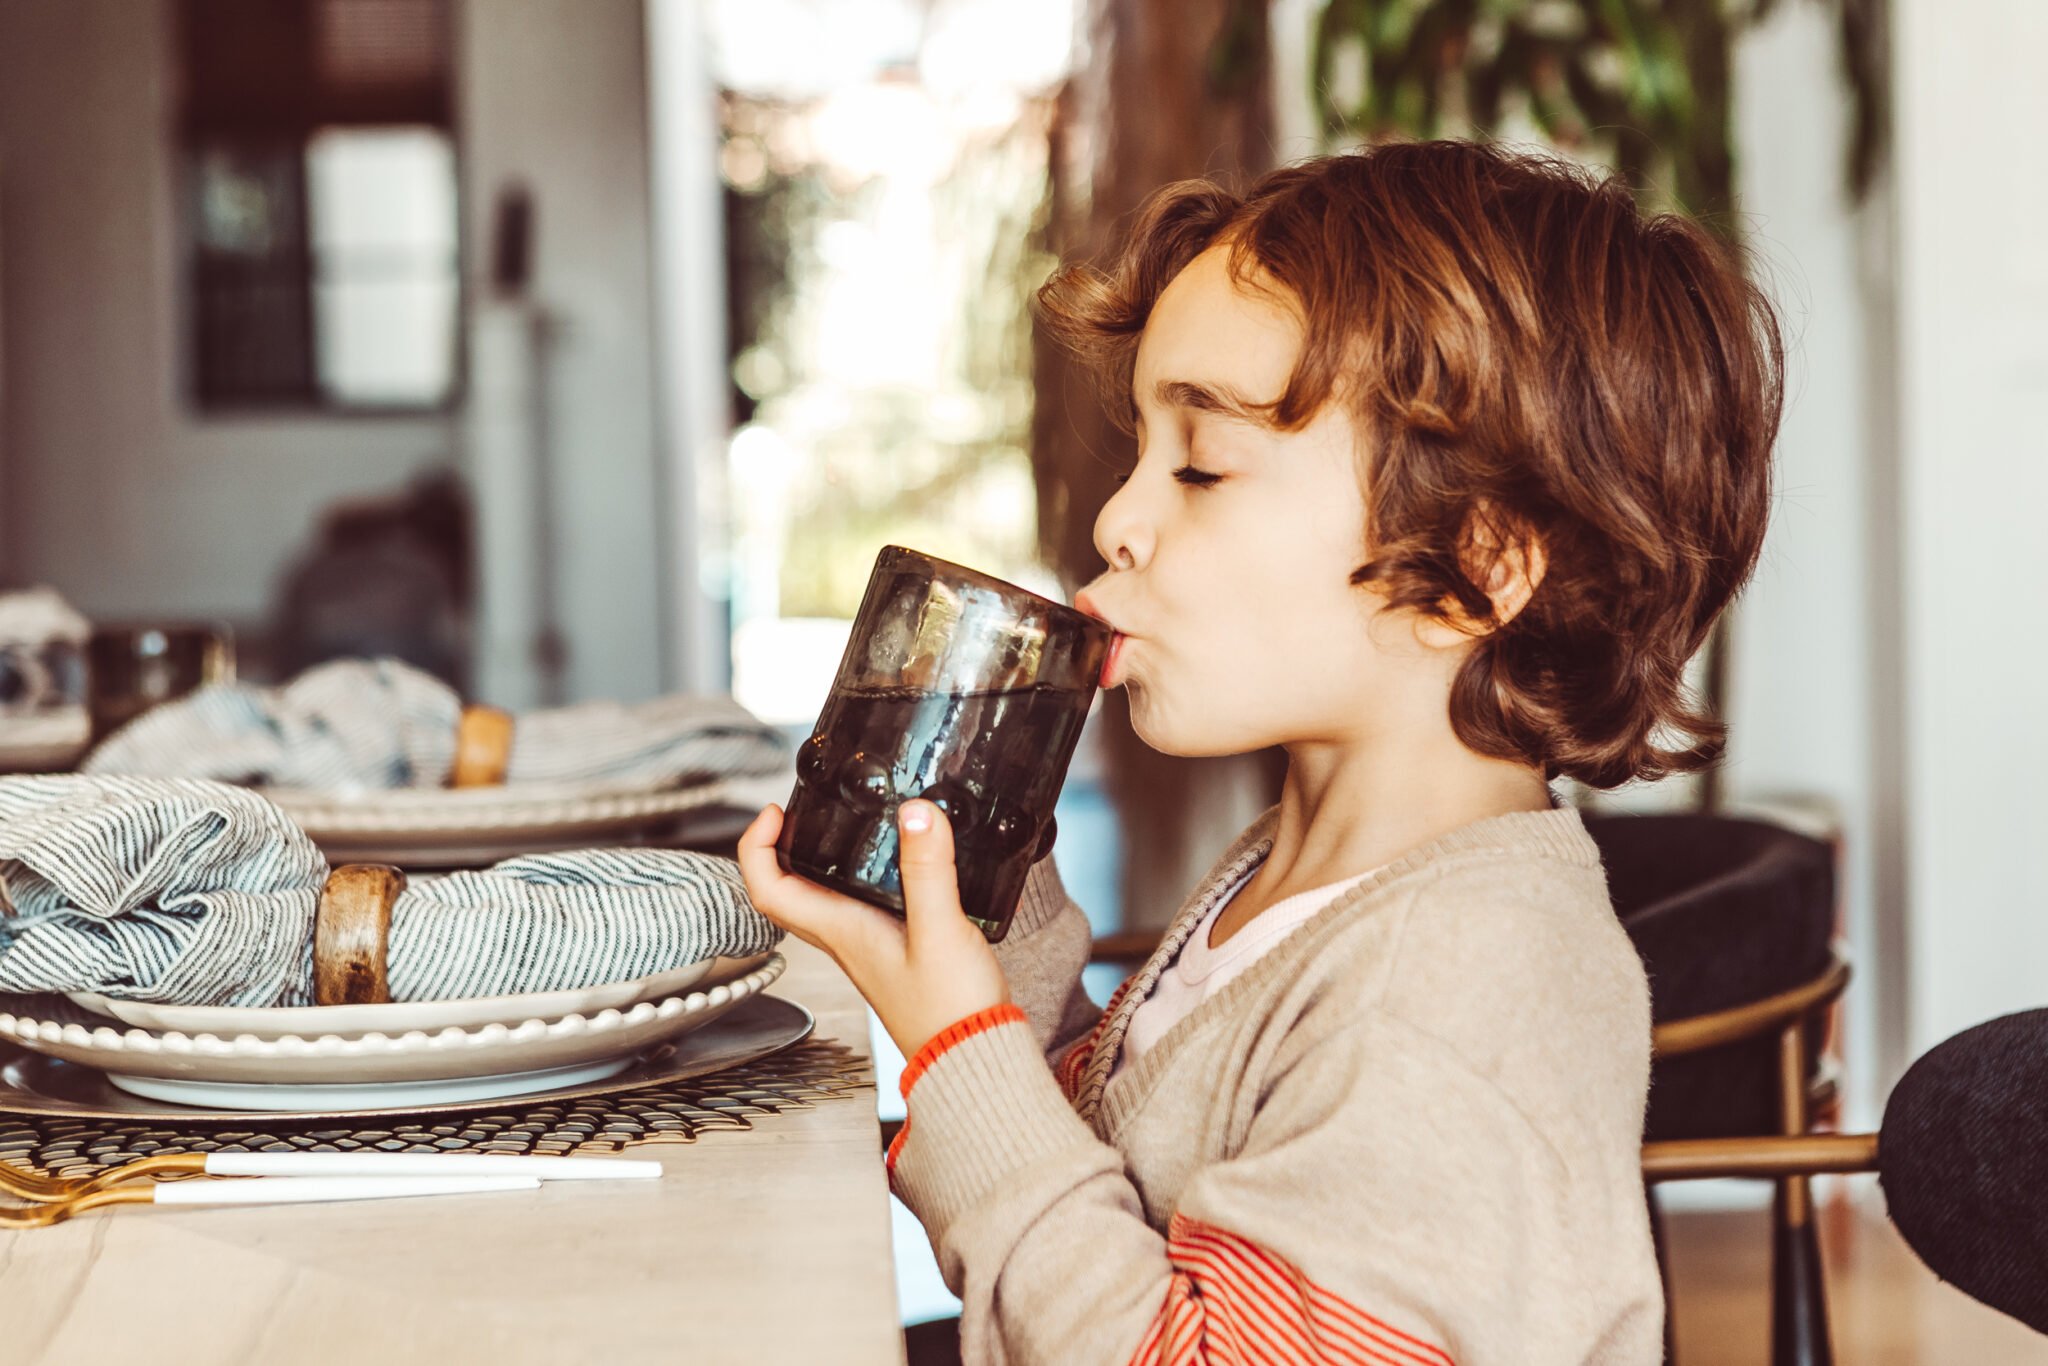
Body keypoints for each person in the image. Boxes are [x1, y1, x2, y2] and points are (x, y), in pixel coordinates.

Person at [737, 139, 1783, 1365]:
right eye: (1139, 453)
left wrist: (957, 1052)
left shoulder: (1456, 984)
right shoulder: (1301, 881)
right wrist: (987, 939)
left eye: (1202, 465)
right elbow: (1141, 1176)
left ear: (1474, 569)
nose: (1117, 519)